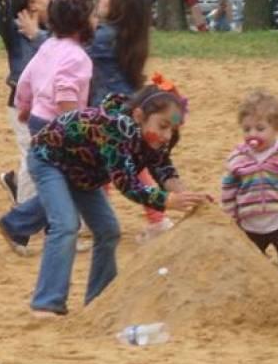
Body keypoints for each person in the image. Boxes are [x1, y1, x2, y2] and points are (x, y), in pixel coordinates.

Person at [26, 81, 211, 317]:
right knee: (65, 224)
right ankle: (46, 303)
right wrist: (167, 201)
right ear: (139, 116)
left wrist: (185, 195)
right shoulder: (115, 128)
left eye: (172, 129)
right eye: (163, 126)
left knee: (109, 230)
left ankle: (100, 299)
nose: (167, 135)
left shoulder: (152, 138)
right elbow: (127, 184)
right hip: (49, 160)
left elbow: (163, 167)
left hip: (84, 173)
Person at [0, 0, 96, 255]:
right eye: (93, 16)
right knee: (68, 182)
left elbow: (26, 78)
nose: (96, 21)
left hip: (38, 120)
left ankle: (31, 227)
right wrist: (74, 130)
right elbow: (65, 94)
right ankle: (17, 224)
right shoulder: (78, 57)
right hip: (59, 124)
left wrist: (25, 107)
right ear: (81, 24)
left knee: (60, 181)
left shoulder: (49, 45)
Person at [89, 0, 173, 243]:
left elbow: (72, 49)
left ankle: (157, 220)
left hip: (110, 114)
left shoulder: (104, 36)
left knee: (128, 169)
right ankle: (100, 221)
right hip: (124, 109)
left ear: (119, 7)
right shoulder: (127, 34)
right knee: (110, 167)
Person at [221, 90, 278, 283]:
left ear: (276, 127)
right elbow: (228, 190)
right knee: (249, 267)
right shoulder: (237, 158)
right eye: (247, 129)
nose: (252, 134)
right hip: (249, 225)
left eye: (260, 129)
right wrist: (231, 218)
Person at [0, 0, 54, 205]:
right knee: (32, 154)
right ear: (32, 3)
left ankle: (16, 184)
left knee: (43, 155)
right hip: (23, 104)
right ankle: (24, 208)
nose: (53, 1)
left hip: (47, 104)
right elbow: (3, 22)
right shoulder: (17, 31)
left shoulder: (50, 31)